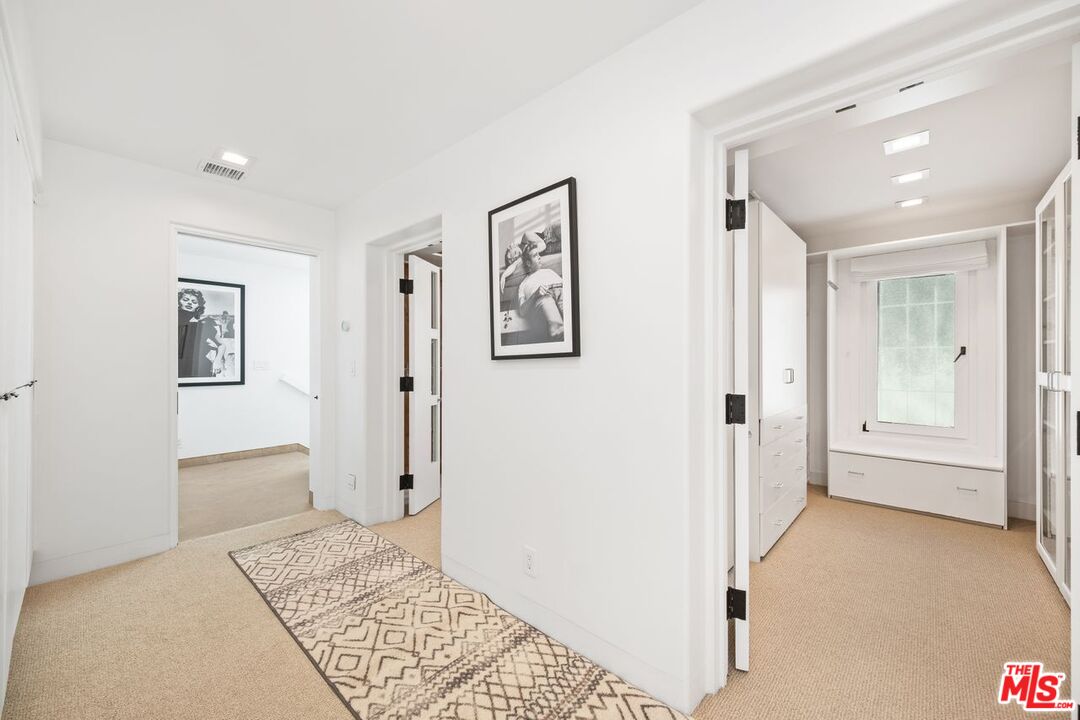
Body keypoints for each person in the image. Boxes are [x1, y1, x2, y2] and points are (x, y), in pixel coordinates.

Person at [515, 231, 564, 342]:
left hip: (562, 290)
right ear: (527, 263)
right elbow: (522, 310)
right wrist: (535, 295)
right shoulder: (523, 284)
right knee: (559, 332)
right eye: (535, 255)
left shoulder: (549, 271)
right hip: (544, 298)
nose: (539, 257)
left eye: (539, 254)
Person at [177, 288, 222, 378]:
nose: (189, 303)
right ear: (179, 301)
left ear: (198, 306)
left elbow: (221, 345)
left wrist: (217, 361)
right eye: (185, 300)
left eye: (194, 302)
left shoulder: (202, 324)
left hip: (198, 369)